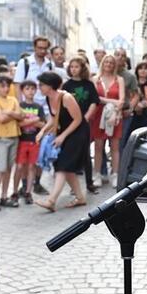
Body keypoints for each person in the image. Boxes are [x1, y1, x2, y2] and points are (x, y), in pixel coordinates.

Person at [35, 71, 88, 211]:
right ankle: (80, 197)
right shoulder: (49, 97)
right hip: (65, 132)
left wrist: (62, 136)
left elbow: (78, 119)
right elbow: (53, 117)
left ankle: (51, 201)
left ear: (50, 86)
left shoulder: (66, 97)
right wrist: (43, 131)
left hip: (77, 133)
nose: (39, 87)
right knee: (67, 167)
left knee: (62, 166)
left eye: (41, 84)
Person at [62, 57, 101, 196]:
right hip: (71, 124)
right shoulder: (66, 86)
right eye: (71, 66)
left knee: (85, 154)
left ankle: (89, 183)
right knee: (72, 154)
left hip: (84, 123)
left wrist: (85, 118)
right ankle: (74, 186)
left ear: (82, 68)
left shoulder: (89, 85)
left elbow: (94, 102)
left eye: (76, 67)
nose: (73, 69)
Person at [0, 75, 24, 210]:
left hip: (14, 136)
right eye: (2, 86)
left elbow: (21, 116)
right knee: (1, 168)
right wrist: (12, 114)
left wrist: (9, 112)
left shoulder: (13, 100)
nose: (6, 88)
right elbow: (1, 118)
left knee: (8, 169)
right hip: (1, 138)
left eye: (8, 86)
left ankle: (4, 196)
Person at [91, 54, 124, 188]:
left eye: (111, 63)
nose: (109, 65)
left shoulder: (119, 79)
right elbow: (95, 98)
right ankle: (97, 174)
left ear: (115, 65)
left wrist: (115, 112)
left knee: (115, 147)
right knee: (98, 146)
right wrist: (111, 101)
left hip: (115, 116)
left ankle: (115, 174)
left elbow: (121, 101)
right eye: (106, 62)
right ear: (102, 64)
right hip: (98, 115)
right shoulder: (95, 79)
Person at [12, 82, 45, 205]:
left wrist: (28, 121)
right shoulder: (19, 105)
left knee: (32, 166)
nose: (30, 91)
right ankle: (15, 191)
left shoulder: (39, 107)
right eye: (27, 89)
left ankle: (28, 192)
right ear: (22, 91)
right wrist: (34, 120)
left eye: (32, 89)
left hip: (34, 141)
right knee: (20, 167)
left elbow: (43, 125)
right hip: (21, 140)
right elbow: (17, 124)